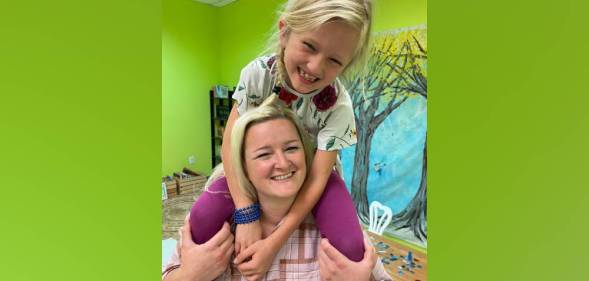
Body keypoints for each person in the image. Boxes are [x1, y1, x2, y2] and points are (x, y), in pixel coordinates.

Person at [190, 0, 374, 277]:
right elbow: (230, 144)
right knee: (201, 221)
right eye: (309, 46)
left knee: (350, 245)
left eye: (334, 60)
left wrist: (274, 243)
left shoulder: (340, 107)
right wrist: (247, 213)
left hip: (310, 174)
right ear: (285, 32)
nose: (315, 67)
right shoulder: (257, 75)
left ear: (346, 65)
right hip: (252, 170)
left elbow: (317, 178)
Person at [163, 103, 391, 281]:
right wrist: (189, 275)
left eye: (291, 148)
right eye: (264, 154)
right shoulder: (215, 227)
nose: (282, 163)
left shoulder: (337, 228)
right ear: (242, 167)